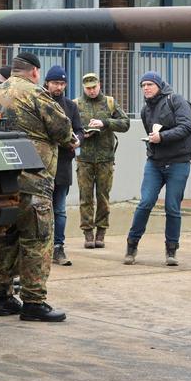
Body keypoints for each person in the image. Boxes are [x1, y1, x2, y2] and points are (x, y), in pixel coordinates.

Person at [0, 53, 75, 322]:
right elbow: (63, 131)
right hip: (33, 180)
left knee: (3, 239)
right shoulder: (36, 94)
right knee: (37, 239)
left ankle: (3, 298)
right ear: (34, 72)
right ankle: (34, 302)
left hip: (1, 180)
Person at [123, 71, 191, 266]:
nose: (146, 88)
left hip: (178, 162)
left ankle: (171, 250)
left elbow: (187, 127)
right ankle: (131, 245)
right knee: (145, 202)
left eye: (149, 84)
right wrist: (153, 140)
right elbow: (151, 134)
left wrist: (162, 137)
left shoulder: (177, 101)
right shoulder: (144, 109)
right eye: (143, 85)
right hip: (155, 163)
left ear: (159, 85)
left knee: (172, 207)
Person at [74, 71, 130, 249]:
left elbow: (125, 123)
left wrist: (105, 123)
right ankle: (88, 232)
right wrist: (84, 132)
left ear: (100, 85)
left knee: (103, 197)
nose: (91, 91)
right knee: (85, 197)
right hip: (84, 158)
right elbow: (69, 128)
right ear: (84, 88)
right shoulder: (76, 104)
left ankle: (101, 231)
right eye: (88, 88)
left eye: (94, 87)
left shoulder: (110, 102)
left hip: (106, 158)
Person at [44, 65, 85, 266]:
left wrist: (78, 140)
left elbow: (79, 129)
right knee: (41, 209)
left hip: (62, 164)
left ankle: (58, 247)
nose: (58, 87)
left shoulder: (71, 106)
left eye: (61, 83)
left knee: (59, 209)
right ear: (47, 83)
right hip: (42, 165)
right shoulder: (40, 103)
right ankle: (42, 246)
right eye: (55, 83)